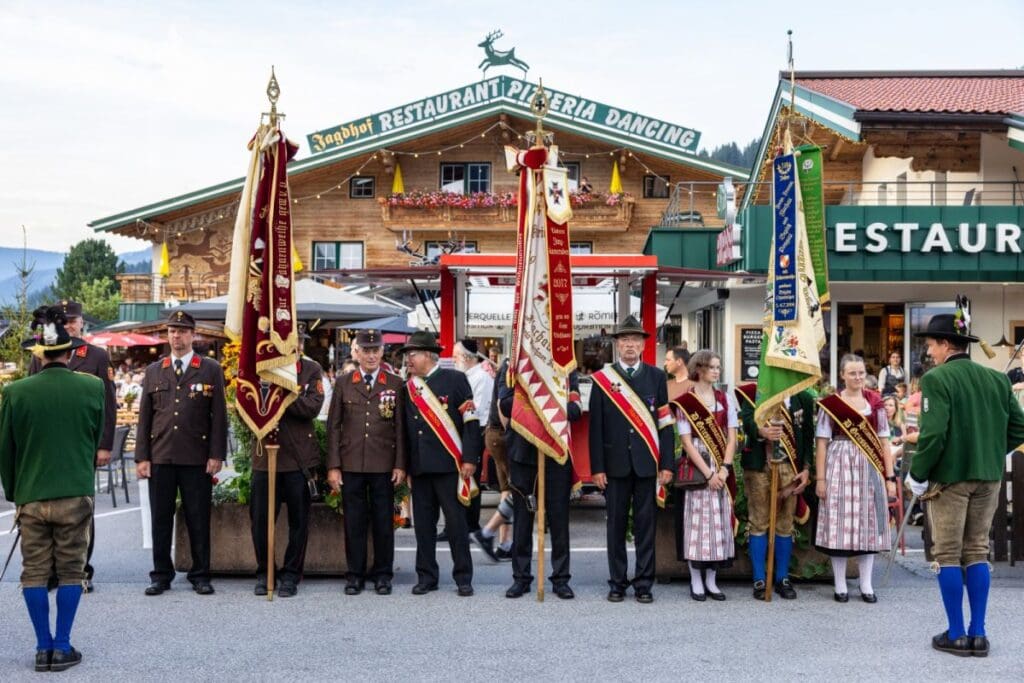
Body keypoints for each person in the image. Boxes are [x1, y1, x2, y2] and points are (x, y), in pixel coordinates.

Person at [906, 308, 1024, 657]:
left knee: (947, 553)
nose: (928, 352)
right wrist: (988, 452)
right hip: (987, 476)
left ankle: (956, 633)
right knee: (977, 550)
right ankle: (979, 633)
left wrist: (917, 474)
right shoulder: (996, 380)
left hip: (951, 478)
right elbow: (1019, 428)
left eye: (931, 345)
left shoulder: (937, 380)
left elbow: (933, 436)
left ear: (946, 344)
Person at [1, 306, 105, 672]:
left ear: (38, 353)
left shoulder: (16, 392)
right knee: (72, 570)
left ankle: (41, 646)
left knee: (33, 573)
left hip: (32, 493)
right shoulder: (91, 387)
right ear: (70, 350)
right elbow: (94, 438)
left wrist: (17, 493)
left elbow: (6, 452)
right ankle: (62, 645)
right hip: (75, 490)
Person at [135, 310, 227, 596]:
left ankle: (200, 573)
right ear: (167, 335)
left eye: (183, 331)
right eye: (173, 331)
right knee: (160, 518)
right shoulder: (155, 370)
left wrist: (216, 455)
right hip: (161, 455)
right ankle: (161, 574)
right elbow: (145, 418)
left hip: (196, 457)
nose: (177, 336)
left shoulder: (209, 368)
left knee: (198, 517)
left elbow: (219, 417)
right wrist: (142, 457)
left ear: (193, 335)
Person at [28, 299, 116, 593]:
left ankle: (80, 570)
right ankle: (51, 570)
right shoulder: (39, 354)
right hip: (47, 447)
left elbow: (108, 406)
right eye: (63, 321)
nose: (68, 325)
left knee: (80, 510)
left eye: (73, 320)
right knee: (46, 509)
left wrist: (105, 446)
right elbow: (31, 396)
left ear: (81, 323)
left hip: (82, 447)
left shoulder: (97, 356)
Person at [589, 315, 675, 603]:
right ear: (617, 345)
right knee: (614, 527)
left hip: (647, 463)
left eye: (634, 340)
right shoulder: (603, 379)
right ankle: (617, 582)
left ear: (642, 345)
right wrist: (597, 467)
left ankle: (643, 584)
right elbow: (595, 428)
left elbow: (665, 424)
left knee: (645, 526)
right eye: (624, 340)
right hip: (614, 466)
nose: (629, 345)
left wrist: (666, 464)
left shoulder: (656, 377)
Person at [400, 331, 481, 596]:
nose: (408, 360)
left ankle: (463, 577)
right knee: (423, 526)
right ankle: (426, 576)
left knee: (457, 524)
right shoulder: (408, 388)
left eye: (412, 354)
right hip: (420, 468)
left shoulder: (456, 380)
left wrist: (470, 458)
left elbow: (471, 421)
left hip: (450, 466)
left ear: (428, 355)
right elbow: (404, 431)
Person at [326, 330, 407, 596]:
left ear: (382, 352)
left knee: (384, 522)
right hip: (351, 464)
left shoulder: (395, 383)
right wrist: (334, 466)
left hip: (383, 464)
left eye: (376, 350)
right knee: (354, 523)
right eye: (366, 350)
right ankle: (355, 575)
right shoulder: (344, 382)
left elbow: (400, 428)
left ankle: (383, 575)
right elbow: (334, 427)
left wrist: (400, 464)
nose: (371, 355)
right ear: (356, 353)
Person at [815, 353, 895, 604]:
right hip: (838, 462)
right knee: (839, 523)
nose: (858, 377)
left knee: (867, 523)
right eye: (852, 373)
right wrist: (820, 479)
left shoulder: (876, 402)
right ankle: (840, 585)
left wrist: (889, 476)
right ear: (842, 375)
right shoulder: (832, 404)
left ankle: (866, 584)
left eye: (861, 372)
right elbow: (821, 443)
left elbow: (884, 442)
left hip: (869, 466)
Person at [248, 339, 324, 598]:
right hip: (264, 456)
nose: (292, 345)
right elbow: (246, 407)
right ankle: (264, 572)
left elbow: (312, 408)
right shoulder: (260, 367)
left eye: (297, 341)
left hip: (297, 458)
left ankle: (291, 574)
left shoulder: (311, 370)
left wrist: (284, 392)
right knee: (260, 522)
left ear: (301, 344)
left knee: (298, 522)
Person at [499, 370, 583, 599]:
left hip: (556, 453)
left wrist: (548, 403)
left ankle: (561, 579)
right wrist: (532, 395)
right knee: (523, 519)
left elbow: (575, 410)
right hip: (522, 454)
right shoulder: (515, 365)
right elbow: (505, 404)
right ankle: (521, 578)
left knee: (559, 520)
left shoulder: (566, 369)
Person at [736, 381, 815, 601]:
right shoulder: (754, 393)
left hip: (791, 468)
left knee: (785, 523)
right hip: (759, 466)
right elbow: (745, 422)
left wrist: (807, 468)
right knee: (759, 521)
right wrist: (761, 431)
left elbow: (808, 436)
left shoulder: (804, 399)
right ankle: (760, 578)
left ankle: (782, 578)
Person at [674, 350, 738, 601]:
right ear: (698, 369)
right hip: (698, 466)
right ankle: (695, 579)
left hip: (721, 463)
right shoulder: (685, 402)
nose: (717, 371)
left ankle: (712, 580)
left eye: (718, 367)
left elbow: (732, 437)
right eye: (712, 367)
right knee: (697, 525)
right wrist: (709, 472)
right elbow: (686, 442)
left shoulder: (725, 398)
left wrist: (724, 468)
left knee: (719, 524)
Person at [473, 358, 514, 563]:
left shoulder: (509, 361)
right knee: (519, 489)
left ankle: (505, 544)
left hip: (496, 434)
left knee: (508, 489)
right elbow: (502, 404)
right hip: (502, 434)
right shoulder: (511, 363)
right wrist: (511, 436)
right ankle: (487, 533)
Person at [452, 339, 493, 536]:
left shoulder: (482, 378)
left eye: (455, 356)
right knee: (457, 479)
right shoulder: (464, 376)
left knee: (472, 478)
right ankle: (457, 524)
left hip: (476, 431)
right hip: (461, 432)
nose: (453, 360)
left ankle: (470, 525)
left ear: (466, 358)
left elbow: (476, 410)